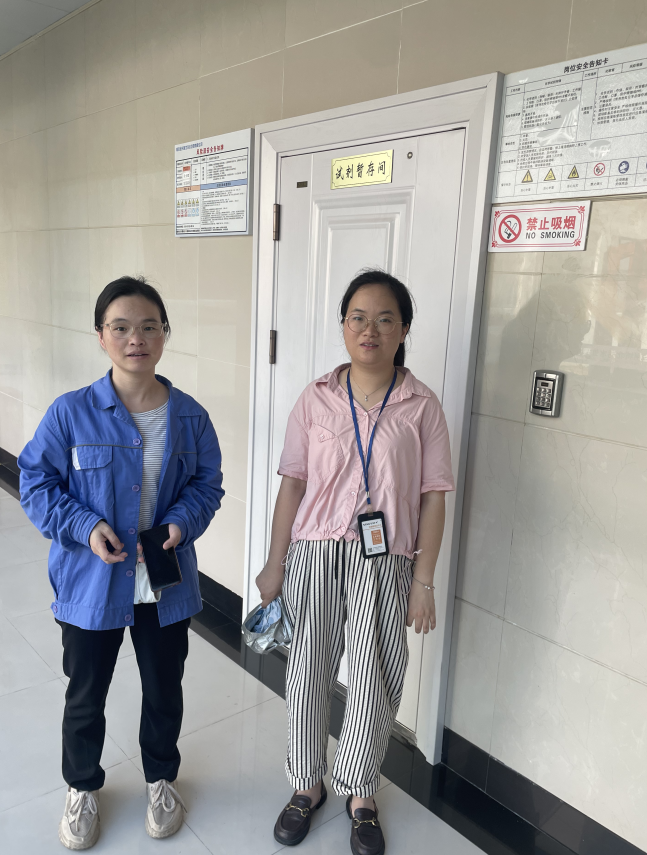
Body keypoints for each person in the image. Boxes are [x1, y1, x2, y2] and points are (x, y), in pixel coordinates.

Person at [18, 276, 224, 850]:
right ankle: (82, 785)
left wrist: (181, 522)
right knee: (85, 695)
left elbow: (208, 484)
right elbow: (36, 481)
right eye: (122, 327)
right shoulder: (70, 413)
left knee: (164, 690)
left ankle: (161, 779)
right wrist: (85, 526)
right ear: (101, 336)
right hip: (92, 583)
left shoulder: (190, 417)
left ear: (164, 335)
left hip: (165, 583)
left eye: (149, 327)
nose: (137, 338)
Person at [256, 269, 455, 855]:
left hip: (385, 558)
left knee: (374, 675)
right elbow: (293, 485)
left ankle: (361, 792)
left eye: (385, 319)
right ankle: (306, 783)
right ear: (343, 326)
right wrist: (274, 562)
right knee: (308, 668)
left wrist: (424, 581)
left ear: (404, 330)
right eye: (358, 318)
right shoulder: (315, 397)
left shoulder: (422, 406)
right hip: (315, 552)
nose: (370, 330)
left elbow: (433, 496)